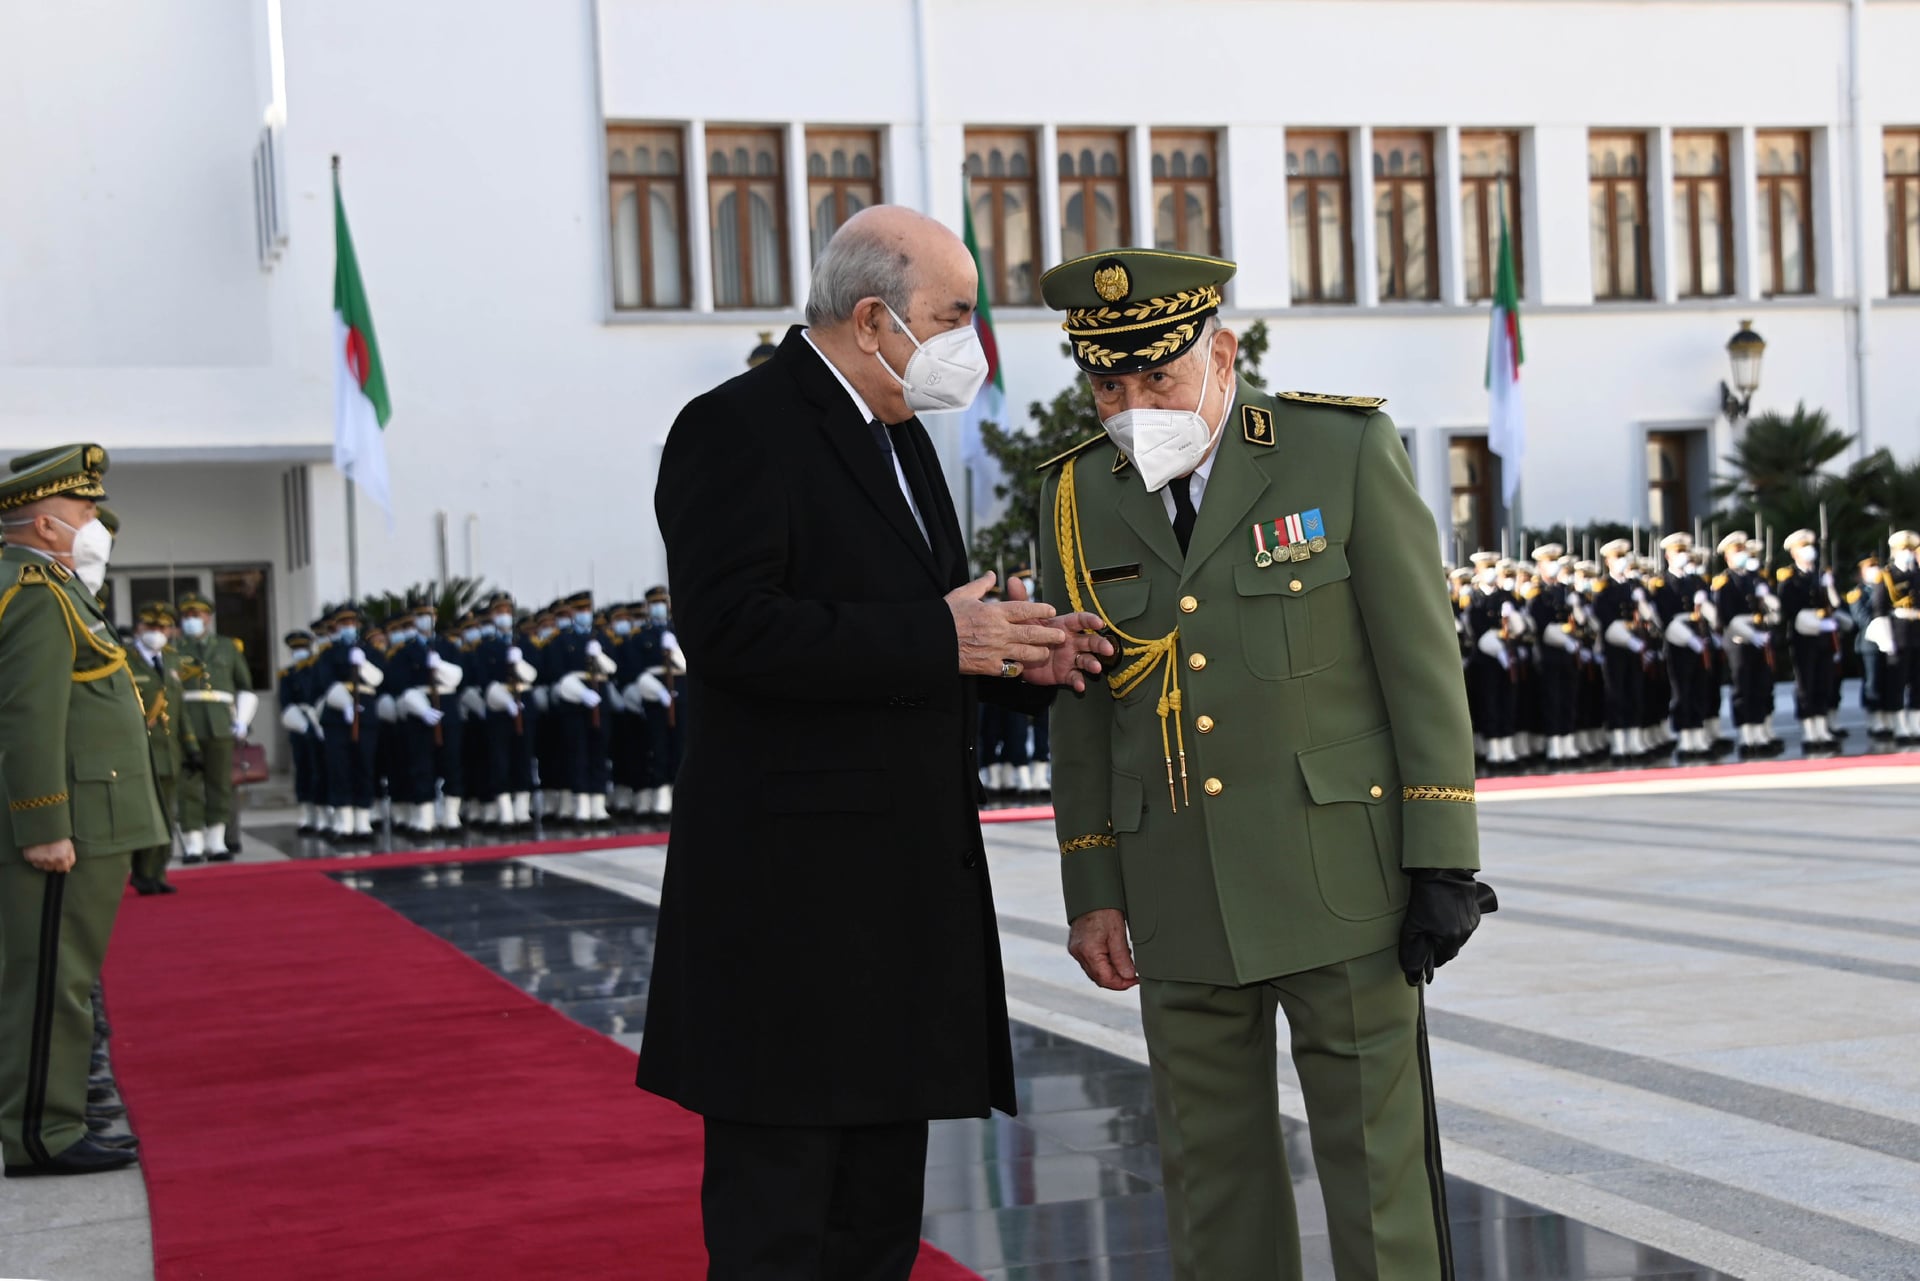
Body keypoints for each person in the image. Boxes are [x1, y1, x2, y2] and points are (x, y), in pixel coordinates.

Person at [638, 205, 1111, 1281]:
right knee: (783, 1232)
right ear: (871, 317)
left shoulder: (898, 436)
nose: (973, 345)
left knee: (873, 1228)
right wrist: (942, 636)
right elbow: (729, 630)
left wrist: (1013, 660)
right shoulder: (738, 427)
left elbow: (922, 642)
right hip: (790, 921)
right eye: (954, 315)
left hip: (896, 913)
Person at [1036, 248, 1495, 1280]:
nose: (1132, 404)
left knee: (1381, 1180)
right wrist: (1092, 887)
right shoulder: (1076, 497)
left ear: (1223, 353)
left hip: (1340, 877)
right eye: (1108, 383)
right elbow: (1082, 714)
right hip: (1176, 889)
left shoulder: (1338, 450)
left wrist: (1443, 858)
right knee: (1212, 1178)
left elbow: (1421, 669)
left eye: (1157, 377)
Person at [0, 444, 169, 1176]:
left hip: (93, 814)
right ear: (43, 524)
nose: (95, 521)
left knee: (64, 976)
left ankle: (57, 1117)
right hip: (67, 820)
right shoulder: (35, 590)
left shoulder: (59, 588)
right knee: (49, 981)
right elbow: (29, 714)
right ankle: (44, 1132)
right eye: (84, 509)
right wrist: (43, 824)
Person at [172, 593, 256, 861]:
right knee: (188, 786)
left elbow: (244, 685)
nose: (192, 620)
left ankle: (217, 840)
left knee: (220, 784)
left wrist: (242, 720)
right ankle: (193, 841)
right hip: (186, 724)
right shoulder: (174, 649)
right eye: (187, 615)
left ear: (209, 617)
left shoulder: (227, 647)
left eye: (197, 615)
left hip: (220, 724)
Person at [127, 603, 199, 895]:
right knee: (144, 817)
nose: (156, 633)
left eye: (162, 628)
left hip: (169, 754)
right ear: (138, 629)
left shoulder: (171, 662)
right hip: (140, 754)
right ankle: (141, 871)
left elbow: (180, 711)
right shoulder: (125, 662)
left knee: (167, 815)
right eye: (150, 627)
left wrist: (192, 747)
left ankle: (158, 871)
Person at [1776, 529, 1841, 750]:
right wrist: (1817, 618)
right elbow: (1790, 608)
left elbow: (1834, 604)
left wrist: (1829, 585)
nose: (1809, 550)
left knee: (1824, 681)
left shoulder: (1820, 575)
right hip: (1803, 636)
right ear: (1794, 552)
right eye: (1803, 547)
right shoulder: (1789, 577)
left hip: (1823, 637)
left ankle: (1822, 727)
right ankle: (1809, 729)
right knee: (1806, 683)